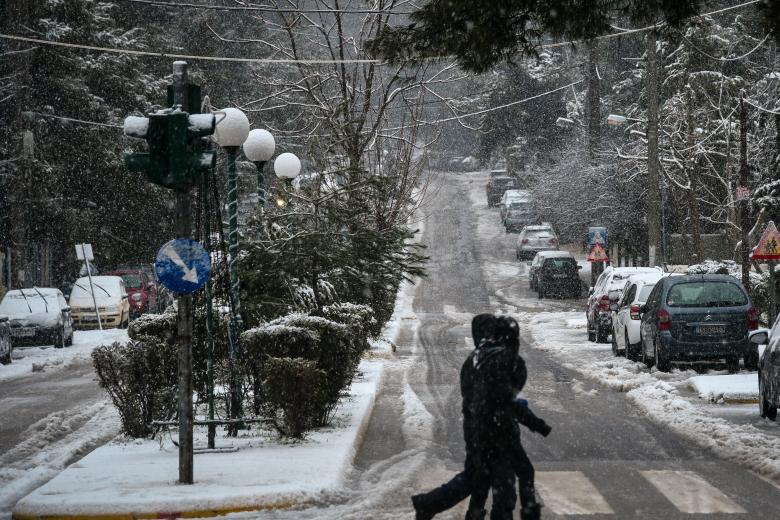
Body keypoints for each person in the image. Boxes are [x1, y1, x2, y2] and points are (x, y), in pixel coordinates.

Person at [412, 315, 550, 520]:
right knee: (502, 482)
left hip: (478, 429)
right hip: (498, 431)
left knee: (479, 477)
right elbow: (505, 399)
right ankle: (431, 504)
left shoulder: (475, 359)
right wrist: (533, 422)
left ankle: (441, 506)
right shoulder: (504, 361)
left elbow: (476, 396)